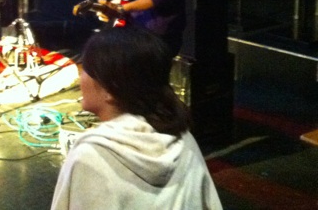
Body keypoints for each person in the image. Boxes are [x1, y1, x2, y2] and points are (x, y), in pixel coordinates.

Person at [50, 26, 223, 210]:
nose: (80, 77)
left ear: (110, 89)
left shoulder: (90, 156)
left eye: (86, 70)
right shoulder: (184, 140)